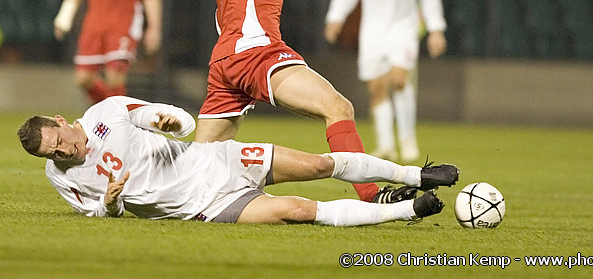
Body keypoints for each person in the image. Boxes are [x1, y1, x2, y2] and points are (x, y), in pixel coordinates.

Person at [178, 0, 414, 203]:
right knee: (338, 107)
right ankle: (372, 198)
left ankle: (141, 190)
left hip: (224, 62)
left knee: (199, 164)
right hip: (255, 51)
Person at [16, 96, 460, 225]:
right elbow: (97, 213)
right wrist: (112, 202)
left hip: (218, 160)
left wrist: (171, 122)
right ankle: (408, 209)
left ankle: (416, 174)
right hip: (205, 205)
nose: (62, 152)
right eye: (52, 153)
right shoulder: (60, 175)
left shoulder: (107, 111)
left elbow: (178, 122)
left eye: (59, 141)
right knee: (298, 211)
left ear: (61, 121)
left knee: (318, 166)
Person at [324, 0, 447, 163]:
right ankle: (386, 145)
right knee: (377, 89)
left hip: (404, 29)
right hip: (372, 33)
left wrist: (436, 29)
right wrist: (335, 18)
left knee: (399, 80)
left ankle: (408, 140)